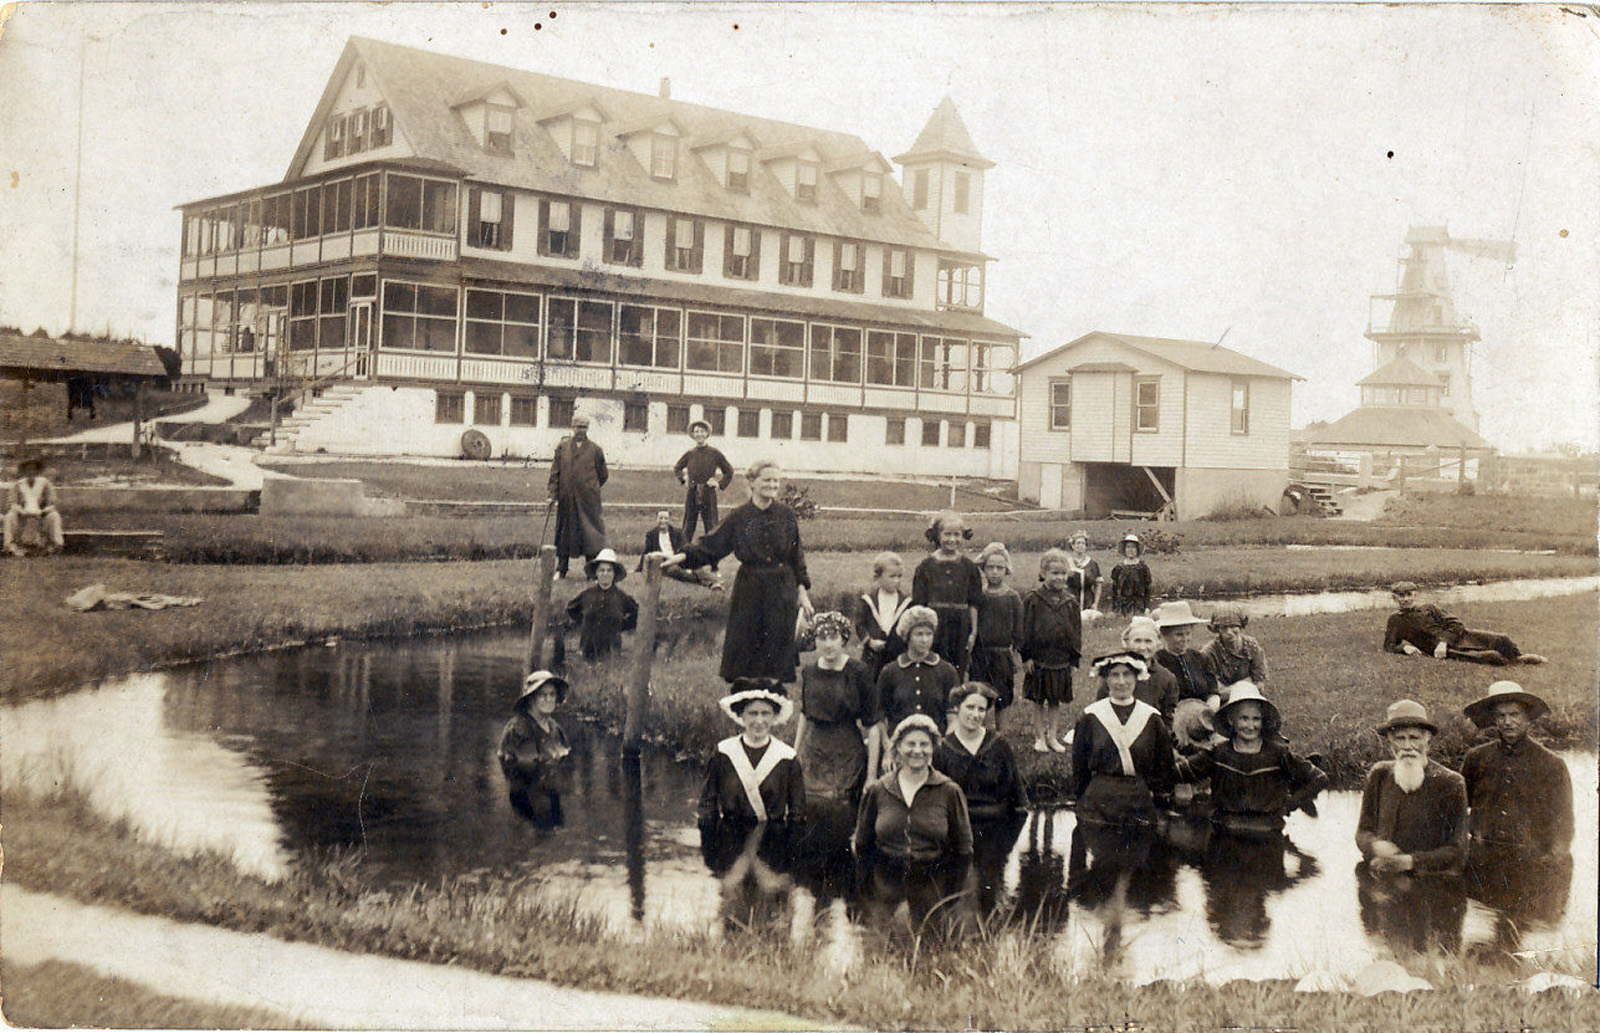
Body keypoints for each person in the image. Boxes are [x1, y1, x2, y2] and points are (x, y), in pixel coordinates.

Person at [665, 459, 814, 683]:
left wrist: (802, 593)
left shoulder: (786, 515)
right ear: (752, 482)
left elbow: (797, 557)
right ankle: (745, 706)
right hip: (750, 590)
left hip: (782, 591)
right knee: (746, 657)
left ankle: (772, 708)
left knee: (776, 660)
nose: (773, 485)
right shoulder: (740, 516)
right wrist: (679, 557)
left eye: (776, 480)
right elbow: (711, 545)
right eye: (767, 480)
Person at [1460, 682, 1574, 926]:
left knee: (1523, 929)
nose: (1508, 722)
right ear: (1493, 720)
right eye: (1501, 716)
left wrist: (1550, 867)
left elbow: (1564, 825)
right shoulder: (1476, 758)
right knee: (1479, 929)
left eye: (1514, 715)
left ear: (1528, 718)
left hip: (1528, 865)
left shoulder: (1551, 764)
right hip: (1482, 864)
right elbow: (1458, 811)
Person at [698, 679, 807, 930]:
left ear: (774, 716)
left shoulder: (786, 757)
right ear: (741, 716)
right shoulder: (724, 752)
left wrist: (789, 863)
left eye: (765, 713)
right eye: (753, 713)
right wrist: (712, 855)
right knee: (733, 911)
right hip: (730, 842)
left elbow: (798, 814)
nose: (759, 720)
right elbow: (707, 806)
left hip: (773, 844)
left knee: (770, 908)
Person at [854, 714, 973, 935]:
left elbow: (963, 850)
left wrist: (950, 898)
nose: (917, 750)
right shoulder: (879, 790)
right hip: (886, 886)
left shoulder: (949, 791)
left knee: (931, 951)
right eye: (910, 744)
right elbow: (862, 845)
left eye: (924, 744)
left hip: (932, 888)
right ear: (897, 747)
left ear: (933, 748)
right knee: (883, 954)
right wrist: (868, 894)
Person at [1174, 681, 1327, 836]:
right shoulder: (1219, 754)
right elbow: (1176, 773)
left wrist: (1288, 806)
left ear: (1263, 721)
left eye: (1256, 719)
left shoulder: (1277, 753)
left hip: (1267, 834)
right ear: (1231, 720)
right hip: (1225, 833)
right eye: (1244, 718)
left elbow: (1319, 778)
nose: (1250, 725)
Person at [934, 683, 1027, 919]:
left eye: (981, 709)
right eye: (970, 707)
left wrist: (1008, 842)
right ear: (957, 709)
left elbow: (1017, 798)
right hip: (957, 833)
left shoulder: (998, 744)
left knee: (988, 892)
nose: (975, 715)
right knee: (956, 892)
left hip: (995, 833)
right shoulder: (944, 749)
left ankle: (988, 932)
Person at [1355, 699, 1469, 876]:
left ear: (1427, 739)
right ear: (1390, 741)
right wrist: (1374, 845)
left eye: (1414, 738)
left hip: (1430, 881)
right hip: (1383, 876)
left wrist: (1410, 861)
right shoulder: (1379, 774)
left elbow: (1458, 851)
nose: (1407, 746)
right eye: (1400, 739)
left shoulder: (1450, 782)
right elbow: (1363, 831)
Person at [1070, 652, 1178, 826]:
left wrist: (1160, 802)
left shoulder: (1151, 718)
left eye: (1127, 674)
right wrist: (1082, 799)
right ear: (1105, 679)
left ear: (1136, 677)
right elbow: (1079, 767)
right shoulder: (1091, 716)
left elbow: (1164, 766)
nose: (1121, 681)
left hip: (1139, 801)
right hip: (1098, 803)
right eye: (1114, 675)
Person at [794, 611, 882, 813]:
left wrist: (871, 776)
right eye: (822, 638)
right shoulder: (809, 672)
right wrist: (795, 753)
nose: (828, 644)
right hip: (813, 753)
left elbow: (873, 726)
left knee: (841, 811)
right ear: (814, 641)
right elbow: (805, 714)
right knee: (811, 810)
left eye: (833, 637)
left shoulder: (858, 671)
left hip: (847, 754)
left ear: (843, 639)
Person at [1383, 581, 1547, 666]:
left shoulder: (1429, 608)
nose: (1405, 599)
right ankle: (1516, 663)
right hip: (1442, 650)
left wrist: (1443, 641)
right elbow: (1389, 645)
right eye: (1400, 596)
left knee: (1502, 639)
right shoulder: (1396, 620)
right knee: (1491, 656)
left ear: (1415, 595)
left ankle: (1519, 658)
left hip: (1460, 637)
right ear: (1394, 598)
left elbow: (1456, 624)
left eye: (1408, 595)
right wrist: (1404, 648)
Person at [1019, 549, 1082, 754]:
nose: (1059, 577)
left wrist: (1074, 659)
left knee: (1055, 699)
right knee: (1039, 699)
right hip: (1039, 658)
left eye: (1063, 573)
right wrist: (1026, 656)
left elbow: (1076, 631)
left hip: (1061, 658)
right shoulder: (1034, 599)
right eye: (1054, 573)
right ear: (1043, 573)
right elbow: (1025, 629)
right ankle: (1039, 737)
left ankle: (1053, 736)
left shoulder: (1070, 601)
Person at [876, 606, 961, 752]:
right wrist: (888, 747)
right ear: (907, 637)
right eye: (919, 634)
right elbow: (879, 715)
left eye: (929, 634)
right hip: (899, 746)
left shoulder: (947, 671)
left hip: (936, 746)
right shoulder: (890, 671)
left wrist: (944, 748)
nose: (925, 640)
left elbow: (953, 716)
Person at [911, 510, 984, 679]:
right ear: (938, 536)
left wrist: (973, 632)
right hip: (934, 626)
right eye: (947, 534)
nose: (952, 539)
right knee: (932, 669)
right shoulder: (926, 566)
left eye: (957, 534)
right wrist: (922, 630)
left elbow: (974, 602)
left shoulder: (969, 567)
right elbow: (919, 604)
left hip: (961, 626)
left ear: (963, 536)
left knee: (956, 671)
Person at [497, 671, 574, 827]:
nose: (549, 699)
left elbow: (565, 755)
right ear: (531, 699)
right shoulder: (519, 729)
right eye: (542, 695)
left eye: (552, 694)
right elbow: (527, 766)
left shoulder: (555, 728)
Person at [547, 414, 608, 579]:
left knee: (590, 534)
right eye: (578, 427)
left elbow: (603, 475)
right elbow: (555, 473)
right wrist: (552, 494)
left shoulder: (596, 450)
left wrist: (589, 488)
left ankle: (591, 571)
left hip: (588, 501)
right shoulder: (563, 447)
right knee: (564, 533)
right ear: (572, 428)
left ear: (587, 429)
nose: (581, 430)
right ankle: (561, 569)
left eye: (584, 427)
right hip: (567, 499)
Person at [969, 542, 1024, 717]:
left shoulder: (1012, 597)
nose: (994, 572)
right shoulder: (978, 595)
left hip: (1002, 654)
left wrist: (1015, 654)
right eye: (990, 567)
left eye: (999, 568)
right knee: (979, 694)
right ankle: (981, 730)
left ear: (1006, 569)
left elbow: (1019, 630)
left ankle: (1000, 733)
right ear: (983, 569)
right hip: (980, 653)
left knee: (1002, 696)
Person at [1097, 615, 1179, 723]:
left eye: (1148, 641)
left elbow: (1169, 719)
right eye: (1137, 641)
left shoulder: (1167, 678)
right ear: (1127, 643)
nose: (1142, 647)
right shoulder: (1113, 673)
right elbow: (1100, 711)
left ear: (1158, 644)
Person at [564, 549, 638, 662]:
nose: (605, 574)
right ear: (596, 573)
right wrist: (584, 622)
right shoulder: (586, 595)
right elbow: (571, 609)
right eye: (601, 570)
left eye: (609, 570)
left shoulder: (622, 597)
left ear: (614, 574)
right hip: (587, 652)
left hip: (612, 653)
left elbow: (638, 614)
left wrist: (621, 625)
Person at [672, 419, 734, 551]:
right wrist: (683, 478)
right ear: (693, 435)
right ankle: (684, 556)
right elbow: (677, 467)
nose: (699, 434)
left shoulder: (714, 453)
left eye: (701, 431)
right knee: (688, 526)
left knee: (711, 527)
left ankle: (713, 561)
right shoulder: (690, 453)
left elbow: (729, 471)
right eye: (696, 432)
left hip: (708, 493)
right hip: (692, 492)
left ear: (706, 434)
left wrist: (719, 483)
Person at [854, 551, 911, 685]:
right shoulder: (868, 601)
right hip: (873, 654)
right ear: (878, 577)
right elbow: (860, 624)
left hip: (897, 653)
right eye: (892, 576)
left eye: (899, 576)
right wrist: (869, 641)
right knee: (871, 684)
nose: (896, 581)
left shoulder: (906, 602)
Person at [1151, 601, 1218, 706]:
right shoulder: (1157, 661)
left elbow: (1213, 691)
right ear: (1165, 635)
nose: (1185, 639)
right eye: (1179, 635)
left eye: (1188, 633)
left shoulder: (1200, 658)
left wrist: (1211, 706)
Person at [639, 510, 719, 588]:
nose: (663, 521)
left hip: (679, 559)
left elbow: (685, 548)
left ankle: (714, 582)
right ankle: (704, 582)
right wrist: (640, 567)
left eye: (665, 518)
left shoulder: (677, 532)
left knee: (696, 568)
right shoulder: (651, 534)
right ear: (657, 519)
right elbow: (646, 551)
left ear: (669, 520)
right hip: (664, 562)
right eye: (660, 518)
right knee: (674, 570)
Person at [5, 456, 65, 557]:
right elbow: (12, 503)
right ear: (23, 471)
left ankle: (54, 546)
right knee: (10, 517)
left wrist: (43, 511)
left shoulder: (45, 484)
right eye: (28, 469)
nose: (31, 472)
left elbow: (51, 502)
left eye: (33, 469)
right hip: (22, 516)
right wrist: (22, 511)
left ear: (37, 471)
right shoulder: (18, 485)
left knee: (54, 516)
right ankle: (11, 547)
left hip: (41, 515)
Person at [1200, 603, 1269, 689]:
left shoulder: (1251, 646)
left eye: (1233, 626)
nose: (1229, 632)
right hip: (1223, 699)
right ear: (1218, 630)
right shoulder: (1209, 653)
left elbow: (1259, 682)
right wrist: (1244, 685)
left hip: (1251, 694)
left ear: (1240, 626)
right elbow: (1215, 688)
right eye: (1224, 628)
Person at [1106, 533, 1152, 617]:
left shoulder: (1142, 568)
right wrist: (1114, 609)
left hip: (1138, 605)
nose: (1130, 550)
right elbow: (1114, 590)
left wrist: (1147, 608)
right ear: (1124, 549)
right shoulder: (1118, 568)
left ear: (1137, 550)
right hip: (1122, 606)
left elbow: (1147, 589)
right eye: (1128, 547)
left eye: (1133, 547)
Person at [1063, 530, 1104, 619]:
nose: (1080, 545)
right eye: (1078, 543)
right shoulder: (1066, 563)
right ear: (1072, 545)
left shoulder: (1093, 564)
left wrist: (1095, 603)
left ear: (1086, 546)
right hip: (1070, 601)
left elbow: (1098, 585)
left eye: (1083, 543)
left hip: (1088, 601)